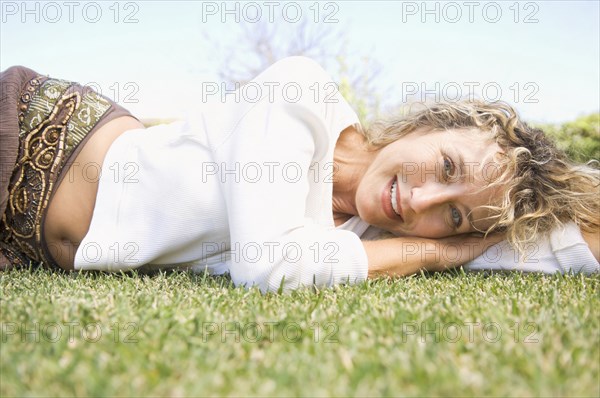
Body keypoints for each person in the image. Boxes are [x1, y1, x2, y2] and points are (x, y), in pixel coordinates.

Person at [1, 57, 598, 292]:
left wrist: (477, 233)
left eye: (455, 215)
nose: (422, 201)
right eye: (446, 166)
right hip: (25, 135)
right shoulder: (301, 93)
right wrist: (434, 252)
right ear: (428, 123)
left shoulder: (362, 239)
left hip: (21, 248)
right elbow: (268, 266)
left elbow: (551, 247)